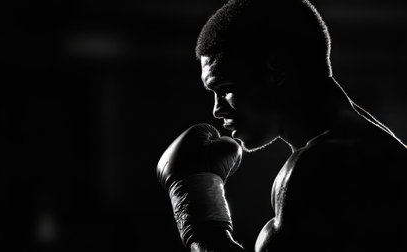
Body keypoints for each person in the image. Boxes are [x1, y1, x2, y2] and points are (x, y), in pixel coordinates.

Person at [157, 0, 407, 251]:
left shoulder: (321, 165)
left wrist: (199, 218)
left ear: (276, 70)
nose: (217, 109)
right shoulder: (374, 145)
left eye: (225, 89)